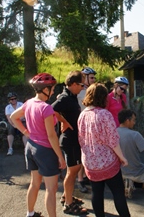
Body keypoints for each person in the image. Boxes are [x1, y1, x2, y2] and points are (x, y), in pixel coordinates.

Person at [10, 73, 66, 217]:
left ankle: (30, 213)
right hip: (45, 151)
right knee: (51, 189)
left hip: (31, 147)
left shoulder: (28, 103)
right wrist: (60, 156)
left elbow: (13, 117)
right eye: (52, 89)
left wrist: (26, 132)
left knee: (34, 183)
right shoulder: (46, 108)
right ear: (45, 89)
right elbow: (51, 135)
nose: (53, 91)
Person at [77, 83, 131, 217]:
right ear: (103, 97)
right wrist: (122, 157)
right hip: (107, 162)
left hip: (90, 162)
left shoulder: (83, 114)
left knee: (97, 193)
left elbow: (81, 139)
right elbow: (113, 140)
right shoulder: (105, 114)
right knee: (118, 193)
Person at [51, 70, 87, 215]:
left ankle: (67, 196)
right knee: (72, 172)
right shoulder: (65, 97)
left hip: (74, 139)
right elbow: (50, 110)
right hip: (69, 140)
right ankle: (68, 204)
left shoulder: (71, 97)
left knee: (74, 170)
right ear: (72, 84)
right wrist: (63, 121)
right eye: (81, 84)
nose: (82, 87)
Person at [77, 67, 97, 193]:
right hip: (80, 124)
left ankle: (85, 176)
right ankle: (80, 179)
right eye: (92, 77)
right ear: (85, 78)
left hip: (90, 124)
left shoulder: (90, 90)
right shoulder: (78, 91)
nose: (94, 79)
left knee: (89, 150)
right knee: (81, 152)